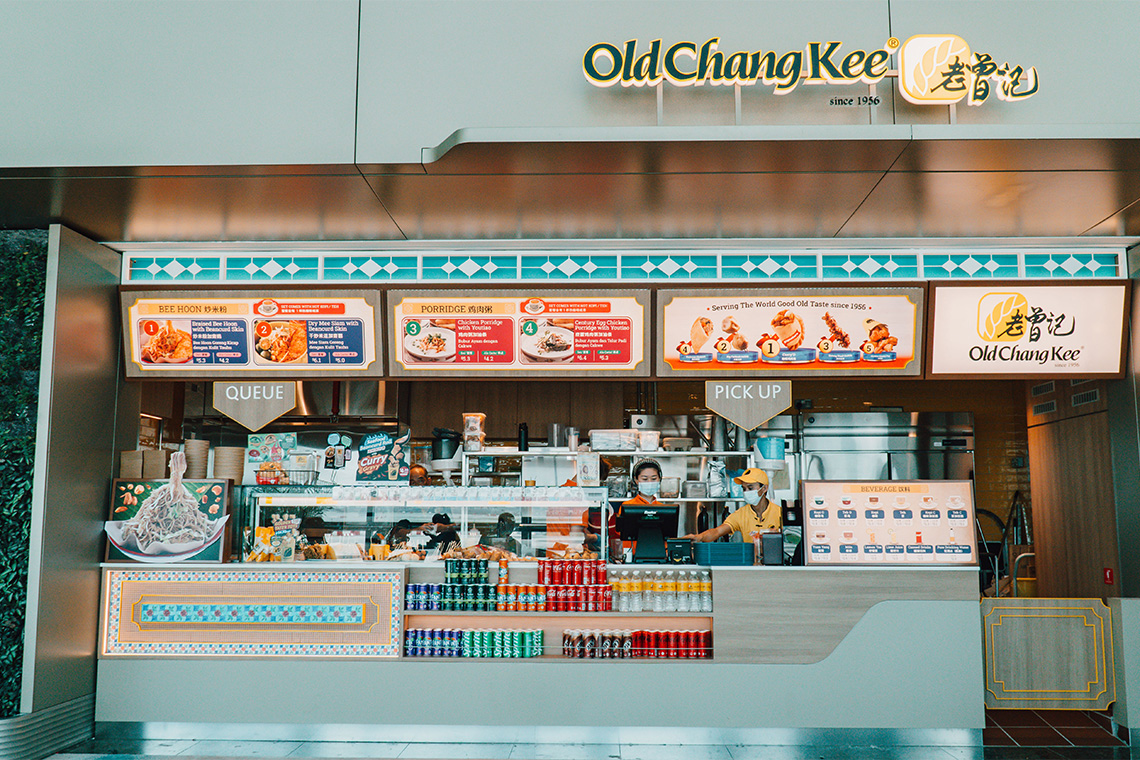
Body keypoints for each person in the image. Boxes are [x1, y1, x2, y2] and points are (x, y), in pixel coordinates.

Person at [684, 468, 781, 543]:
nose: (746, 492)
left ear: (764, 488)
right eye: (744, 488)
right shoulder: (741, 514)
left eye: (750, 488)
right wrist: (699, 537)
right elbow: (717, 532)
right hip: (752, 565)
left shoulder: (779, 513)